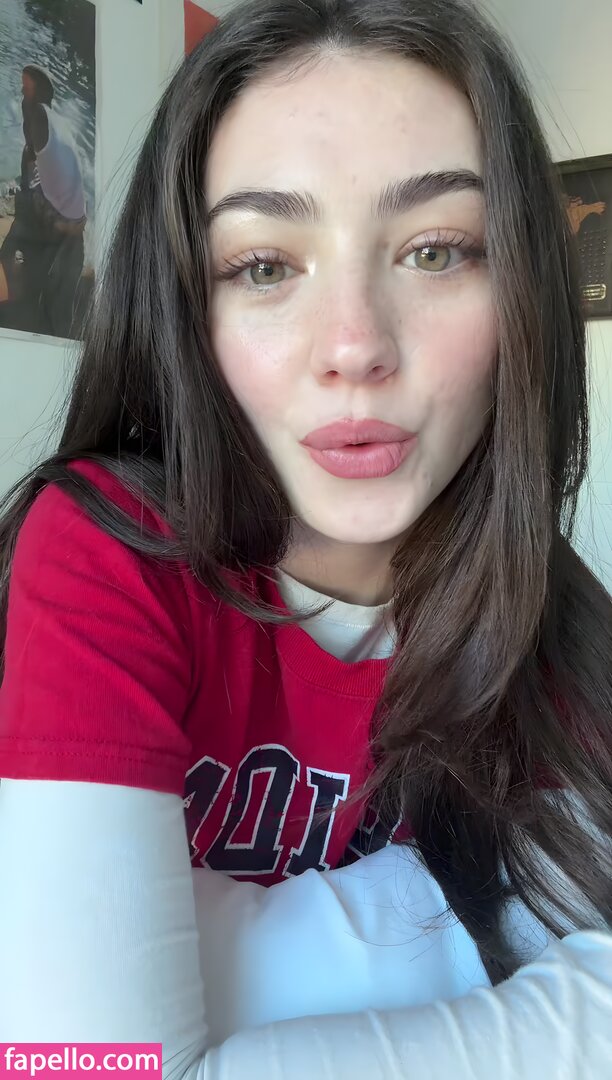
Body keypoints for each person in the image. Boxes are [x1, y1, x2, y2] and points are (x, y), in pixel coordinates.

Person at [0, 0, 610, 1075]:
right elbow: (85, 1066)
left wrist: (206, 963)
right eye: (266, 266)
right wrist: (479, 937)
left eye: (436, 250)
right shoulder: (113, 551)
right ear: (187, 310)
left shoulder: (550, 617)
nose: (355, 346)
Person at [0, 64, 86, 337]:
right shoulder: (58, 124)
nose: (21, 97)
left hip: (58, 228)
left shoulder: (37, 115)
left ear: (38, 99)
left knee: (11, 253)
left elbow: (35, 193)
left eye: (25, 91)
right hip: (73, 225)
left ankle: (17, 304)